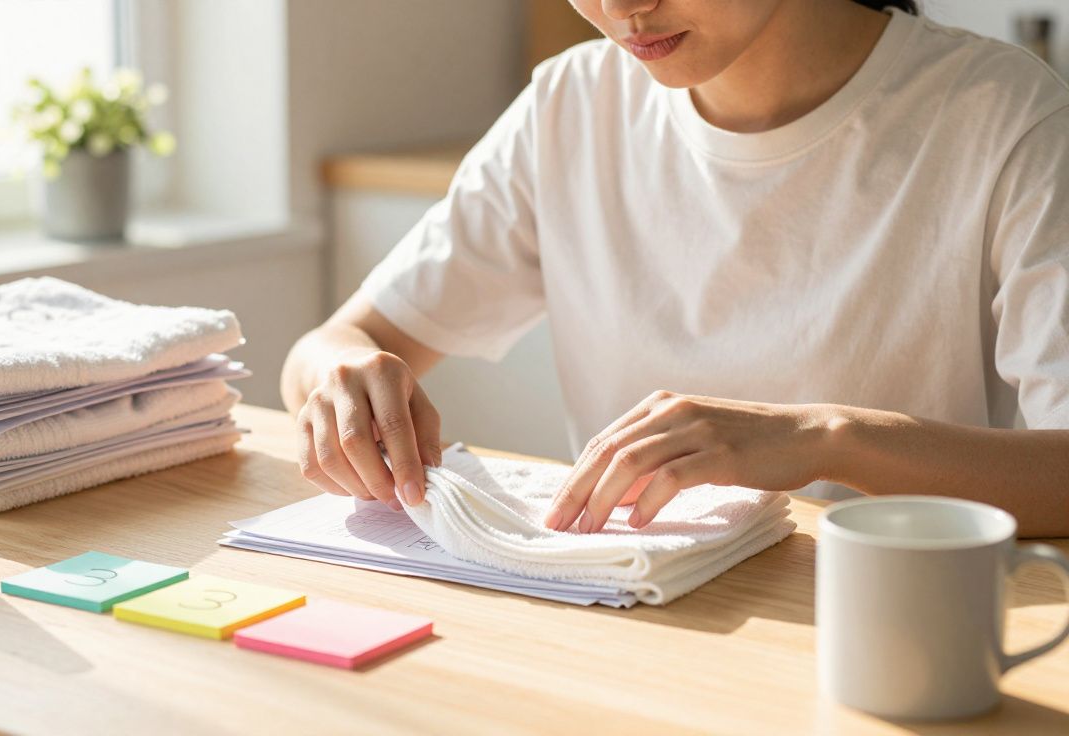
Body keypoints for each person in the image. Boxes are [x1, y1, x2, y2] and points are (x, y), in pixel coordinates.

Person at [281, 0, 1069, 537]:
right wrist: (342, 381)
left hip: (889, 637)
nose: (620, 4)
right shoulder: (572, 105)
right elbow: (337, 341)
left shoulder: (1007, 119)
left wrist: (828, 438)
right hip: (633, 624)